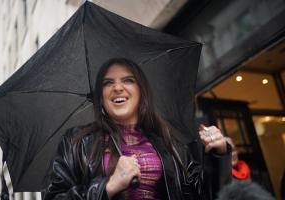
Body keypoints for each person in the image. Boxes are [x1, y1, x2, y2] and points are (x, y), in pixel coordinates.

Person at [44, 57, 231, 200]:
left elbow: (204, 195)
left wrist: (219, 154)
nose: (117, 87)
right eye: (108, 82)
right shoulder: (77, 141)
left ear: (141, 91)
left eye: (128, 80)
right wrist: (107, 187)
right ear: (100, 97)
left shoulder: (170, 142)